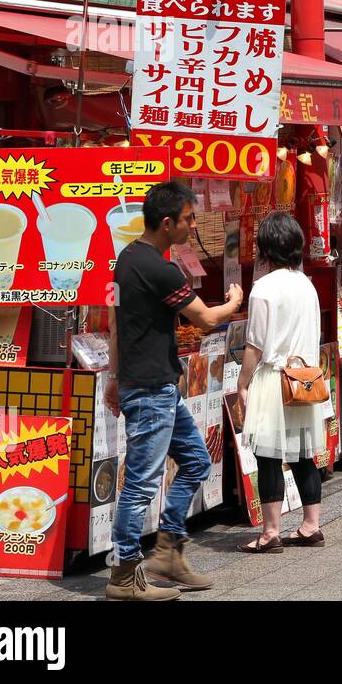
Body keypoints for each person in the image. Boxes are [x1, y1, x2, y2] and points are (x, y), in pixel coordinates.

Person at [105, 181, 244, 601]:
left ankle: (168, 551)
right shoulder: (159, 268)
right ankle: (124, 576)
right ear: (167, 223)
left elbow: (115, 324)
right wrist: (234, 301)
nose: (192, 225)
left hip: (150, 385)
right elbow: (203, 318)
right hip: (150, 390)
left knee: (197, 460)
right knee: (142, 483)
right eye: (187, 219)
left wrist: (114, 377)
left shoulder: (127, 258)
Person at [235, 213, 327, 553]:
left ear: (265, 249)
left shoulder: (264, 289)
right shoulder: (307, 284)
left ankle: (271, 531)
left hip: (274, 379)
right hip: (304, 377)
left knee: (268, 454)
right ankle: (311, 524)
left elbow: (255, 345)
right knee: (304, 451)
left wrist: (243, 384)